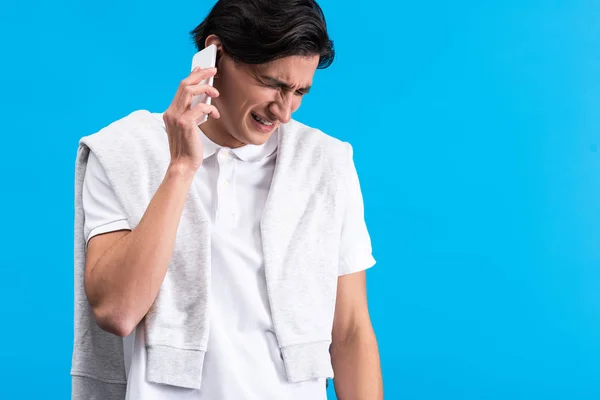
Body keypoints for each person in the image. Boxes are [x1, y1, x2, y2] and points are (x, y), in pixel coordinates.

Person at [71, 0, 383, 399]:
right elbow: (117, 311)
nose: (284, 111)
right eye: (272, 83)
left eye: (300, 91)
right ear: (214, 53)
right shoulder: (123, 152)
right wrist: (181, 168)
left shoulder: (325, 162)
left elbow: (351, 329)